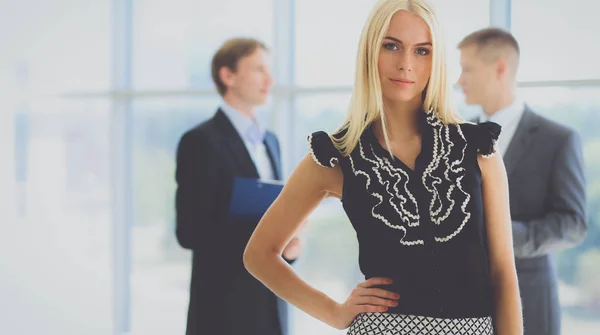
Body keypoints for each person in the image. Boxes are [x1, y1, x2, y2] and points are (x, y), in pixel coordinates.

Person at [243, 0, 523, 334]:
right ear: (369, 52)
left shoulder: (479, 149)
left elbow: (503, 271)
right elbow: (259, 254)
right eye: (392, 46)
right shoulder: (336, 156)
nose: (406, 64)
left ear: (437, 61)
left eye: (422, 51)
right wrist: (333, 312)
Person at [457, 27, 587, 335]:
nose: (459, 80)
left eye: (467, 69)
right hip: (461, 300)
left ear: (499, 68)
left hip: (531, 300)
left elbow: (573, 224)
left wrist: (503, 235)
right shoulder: (456, 137)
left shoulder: (559, 140)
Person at [175, 37, 302, 335]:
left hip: (270, 306)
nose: (269, 79)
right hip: (223, 310)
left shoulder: (270, 141)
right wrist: (265, 236)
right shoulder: (200, 142)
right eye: (259, 69)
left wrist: (289, 245)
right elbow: (189, 231)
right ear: (228, 75)